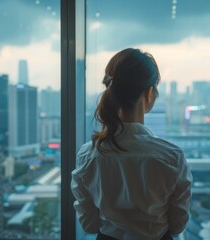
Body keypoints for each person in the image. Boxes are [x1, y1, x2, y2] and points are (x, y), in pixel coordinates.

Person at [71, 48, 192, 240]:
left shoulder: (88, 155)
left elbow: (90, 225)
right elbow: (177, 226)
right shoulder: (171, 157)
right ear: (149, 94)